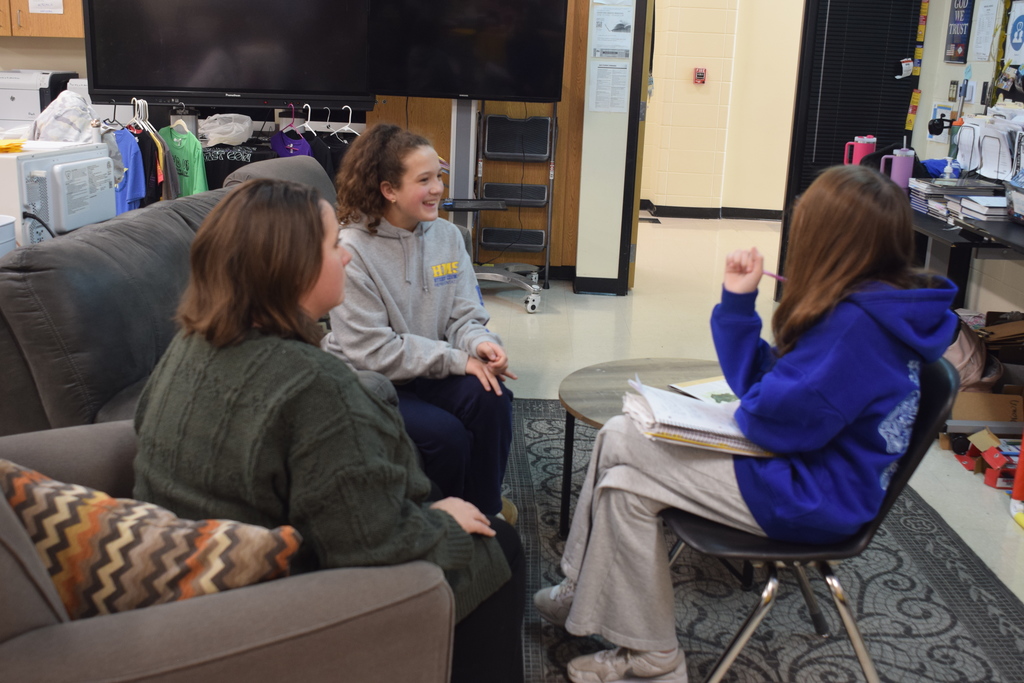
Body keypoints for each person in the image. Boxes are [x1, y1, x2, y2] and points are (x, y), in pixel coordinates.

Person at [533, 165, 959, 683]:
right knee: (624, 486)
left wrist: (753, 386)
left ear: (824, 241)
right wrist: (738, 302)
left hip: (813, 497)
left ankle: (598, 605)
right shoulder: (868, 304)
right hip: (807, 470)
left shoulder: (856, 330)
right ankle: (647, 653)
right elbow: (765, 386)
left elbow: (766, 420)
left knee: (623, 433)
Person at [133, 178, 524, 683]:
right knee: (500, 546)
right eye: (333, 246)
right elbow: (369, 544)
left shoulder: (188, 345)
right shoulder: (314, 388)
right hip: (270, 606)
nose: (346, 257)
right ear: (290, 269)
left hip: (191, 578)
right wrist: (443, 524)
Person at [321, 124, 516, 519]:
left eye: (439, 177)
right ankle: (440, 525)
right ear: (389, 189)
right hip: (370, 380)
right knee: (446, 438)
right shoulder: (350, 251)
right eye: (424, 179)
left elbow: (465, 314)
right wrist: (458, 360)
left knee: (492, 397)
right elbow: (373, 351)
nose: (438, 188)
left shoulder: (448, 236)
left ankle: (486, 513)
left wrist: (480, 344)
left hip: (426, 368)